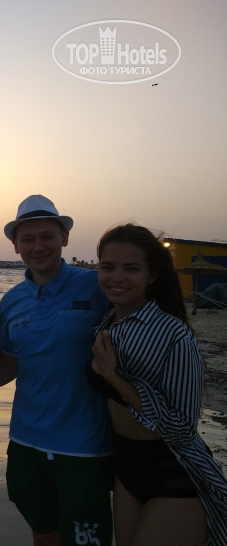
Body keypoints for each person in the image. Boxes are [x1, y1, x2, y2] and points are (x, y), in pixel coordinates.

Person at [89, 223, 227, 546]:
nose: (117, 277)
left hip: (171, 470)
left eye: (131, 268)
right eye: (107, 267)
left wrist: (113, 377)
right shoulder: (107, 320)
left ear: (151, 275)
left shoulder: (173, 334)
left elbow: (181, 428)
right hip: (125, 467)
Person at [0, 194, 113, 546]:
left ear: (65, 237)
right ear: (15, 246)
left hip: (84, 445)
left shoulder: (98, 286)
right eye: (28, 239)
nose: (38, 246)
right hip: (25, 441)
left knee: (86, 539)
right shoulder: (11, 301)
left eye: (47, 236)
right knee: (43, 532)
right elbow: (10, 362)